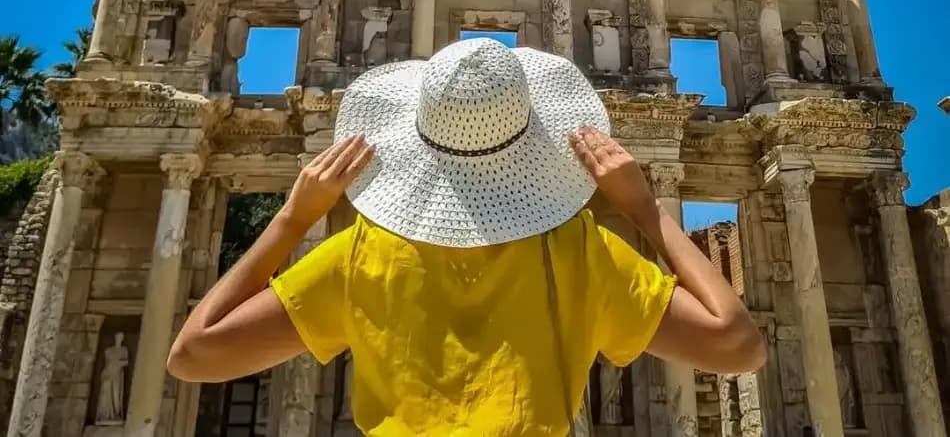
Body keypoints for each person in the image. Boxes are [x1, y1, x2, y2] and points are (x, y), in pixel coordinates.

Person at [168, 38, 766, 436]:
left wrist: (292, 220)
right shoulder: (581, 250)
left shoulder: (363, 255)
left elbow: (195, 355)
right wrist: (646, 212)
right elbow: (738, 347)